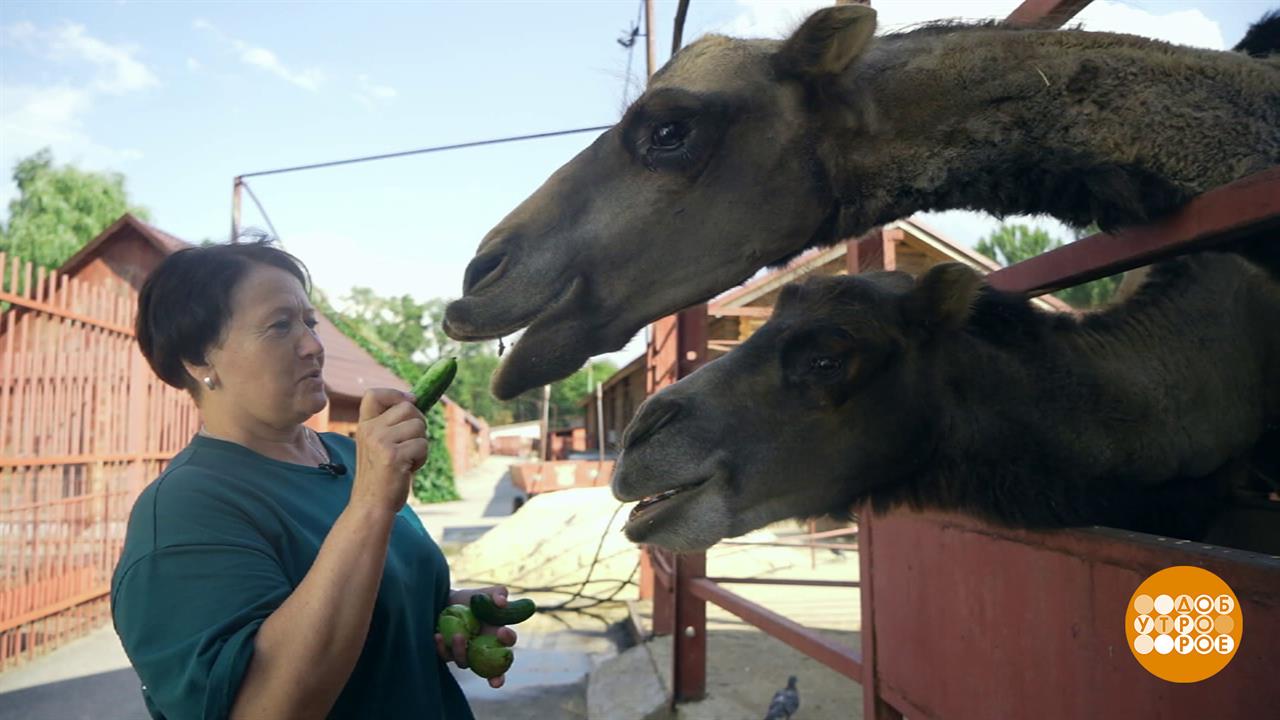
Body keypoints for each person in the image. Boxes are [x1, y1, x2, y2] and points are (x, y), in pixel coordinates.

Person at [111, 237, 514, 719]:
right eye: (280, 326)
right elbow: (263, 707)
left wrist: (442, 614)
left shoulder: (348, 456)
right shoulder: (183, 512)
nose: (314, 345)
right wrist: (369, 503)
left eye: (310, 322)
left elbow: (364, 598)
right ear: (200, 362)